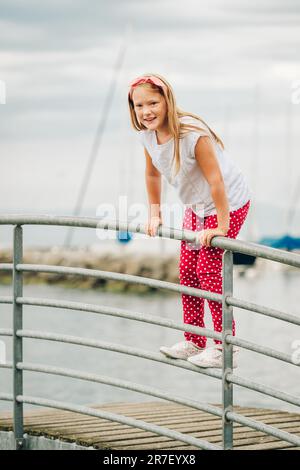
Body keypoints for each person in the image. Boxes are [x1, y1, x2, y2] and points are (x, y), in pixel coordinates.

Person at [128, 73, 251, 368]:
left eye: (153, 103)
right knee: (187, 270)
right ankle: (195, 339)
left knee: (207, 269)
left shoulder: (193, 135)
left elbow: (216, 180)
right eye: (139, 105)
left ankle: (225, 346)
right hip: (196, 207)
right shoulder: (147, 136)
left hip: (228, 203)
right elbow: (152, 174)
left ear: (167, 100)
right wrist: (155, 213)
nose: (146, 112)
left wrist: (221, 225)